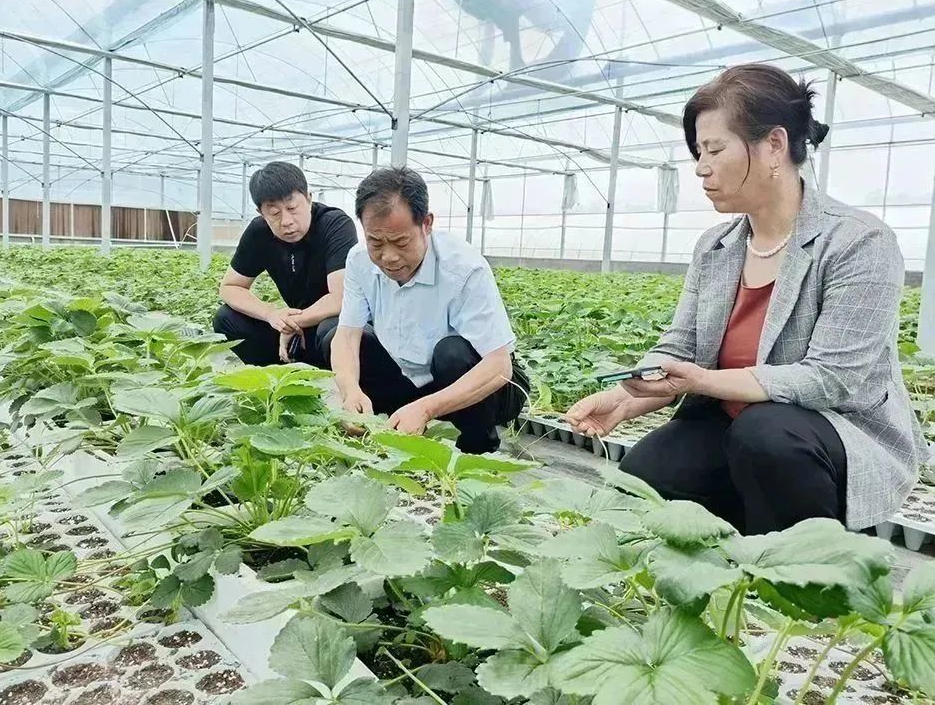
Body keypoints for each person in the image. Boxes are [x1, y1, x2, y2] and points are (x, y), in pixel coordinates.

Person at [565, 64, 927, 535]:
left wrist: (704, 381)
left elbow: (831, 381)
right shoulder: (717, 246)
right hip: (732, 429)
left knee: (768, 436)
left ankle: (803, 574)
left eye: (714, 149)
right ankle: (729, 570)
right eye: (698, 151)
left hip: (830, 434)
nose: (701, 166)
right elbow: (682, 346)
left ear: (774, 145)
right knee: (647, 476)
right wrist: (625, 397)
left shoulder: (859, 241)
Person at [324, 167, 529, 454]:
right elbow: (347, 336)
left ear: (426, 223)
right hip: (412, 377)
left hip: (485, 385)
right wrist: (350, 391)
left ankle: (478, 446)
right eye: (376, 242)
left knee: (452, 353)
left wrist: (426, 408)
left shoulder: (464, 268)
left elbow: (499, 366)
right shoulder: (359, 261)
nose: (389, 257)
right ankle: (385, 430)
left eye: (401, 242)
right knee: (332, 335)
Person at [213, 161, 357, 368]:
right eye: (274, 213)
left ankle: (328, 376)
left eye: (292, 208)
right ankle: (278, 375)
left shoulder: (334, 224)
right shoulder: (259, 233)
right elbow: (230, 287)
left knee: (332, 330)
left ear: (308, 199)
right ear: (261, 212)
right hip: (291, 325)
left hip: (325, 322)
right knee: (226, 318)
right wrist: (271, 314)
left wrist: (292, 324)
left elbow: (340, 298)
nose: (286, 221)